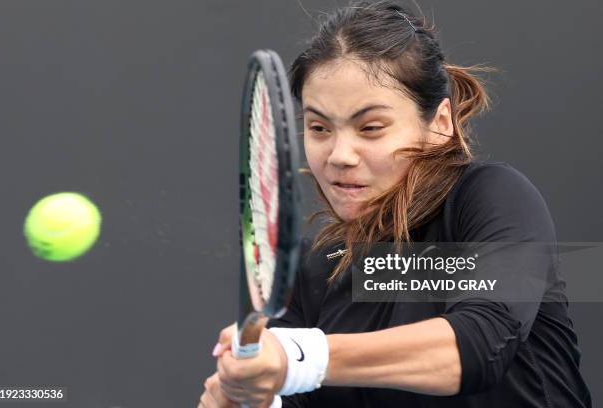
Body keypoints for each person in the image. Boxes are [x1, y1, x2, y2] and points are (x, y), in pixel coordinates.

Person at [198, 1, 592, 407]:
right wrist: (250, 398)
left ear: (440, 125)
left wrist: (296, 356)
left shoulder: (490, 198)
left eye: (371, 128)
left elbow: (479, 343)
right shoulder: (315, 272)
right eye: (318, 128)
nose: (339, 155)